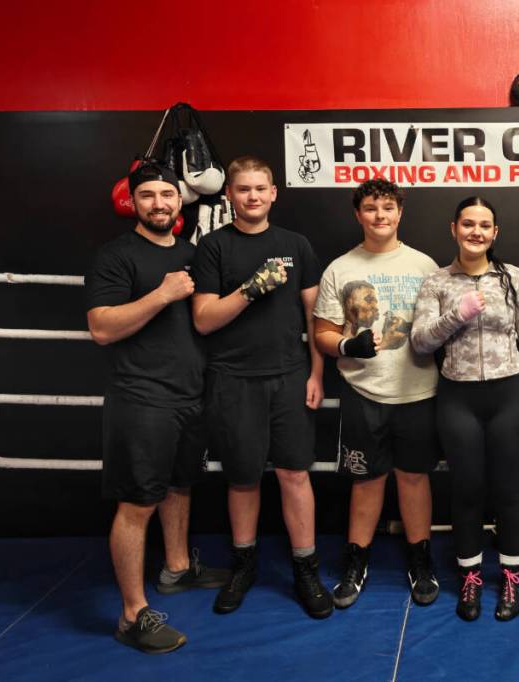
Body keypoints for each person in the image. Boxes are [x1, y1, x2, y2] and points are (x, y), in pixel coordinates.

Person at [86, 162, 228, 653]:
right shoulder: (116, 256)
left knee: (179, 486)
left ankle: (176, 568)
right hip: (141, 397)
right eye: (148, 195)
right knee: (138, 501)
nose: (159, 203)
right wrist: (162, 294)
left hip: (191, 395)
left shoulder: (196, 254)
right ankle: (132, 613)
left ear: (180, 202)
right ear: (134, 202)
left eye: (168, 194)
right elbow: (102, 327)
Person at [191, 155, 331, 619]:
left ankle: (306, 569)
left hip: (290, 376)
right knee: (243, 477)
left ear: (274, 193)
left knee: (295, 473)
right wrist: (252, 288)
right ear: (229, 195)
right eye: (243, 189)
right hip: (232, 380)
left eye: (260, 188)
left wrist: (316, 374)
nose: (252, 196)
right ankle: (243, 565)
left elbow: (315, 318)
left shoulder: (295, 245)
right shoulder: (213, 247)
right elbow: (204, 319)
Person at [411, 196, 519, 622]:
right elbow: (419, 342)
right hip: (459, 398)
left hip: (509, 393)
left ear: (495, 233)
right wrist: (456, 314)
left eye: (484, 225)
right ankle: (470, 577)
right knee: (467, 490)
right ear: (454, 229)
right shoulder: (437, 281)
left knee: (508, 490)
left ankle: (510, 576)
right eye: (467, 224)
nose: (476, 231)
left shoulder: (514, 278)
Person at [312, 179, 440, 609]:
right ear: (358, 214)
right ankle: (356, 561)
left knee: (414, 478)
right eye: (371, 208)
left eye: (387, 207)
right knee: (367, 482)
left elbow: (442, 327)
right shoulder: (340, 269)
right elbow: (324, 332)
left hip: (419, 389)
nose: (380, 215)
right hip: (363, 390)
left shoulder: (425, 266)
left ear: (400, 212)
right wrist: (349, 345)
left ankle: (421, 560)